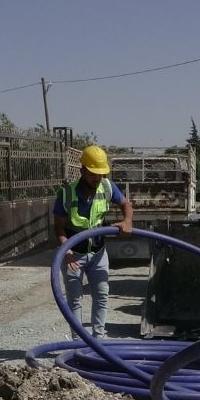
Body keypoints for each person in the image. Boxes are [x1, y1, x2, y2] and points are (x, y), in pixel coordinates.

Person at [52, 145, 134, 339]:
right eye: (92, 174)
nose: (96, 178)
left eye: (100, 174)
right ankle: (78, 343)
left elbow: (126, 204)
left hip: (98, 252)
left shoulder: (106, 186)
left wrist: (127, 221)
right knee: (75, 300)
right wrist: (67, 249)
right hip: (74, 253)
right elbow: (58, 227)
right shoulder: (66, 194)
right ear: (82, 171)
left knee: (101, 295)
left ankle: (98, 341)